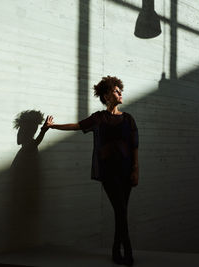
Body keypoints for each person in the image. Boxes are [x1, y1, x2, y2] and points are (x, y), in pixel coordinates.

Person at [44, 75, 139, 266]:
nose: (120, 93)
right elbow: (77, 126)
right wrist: (52, 126)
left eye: (120, 91)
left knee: (122, 211)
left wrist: (136, 169)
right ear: (106, 94)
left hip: (126, 170)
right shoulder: (99, 118)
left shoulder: (128, 119)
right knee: (120, 210)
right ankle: (126, 250)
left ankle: (116, 251)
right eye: (116, 90)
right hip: (109, 172)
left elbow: (135, 145)